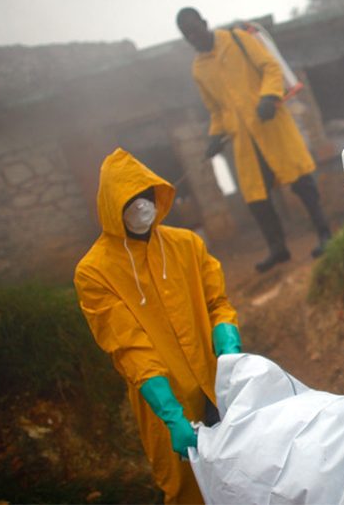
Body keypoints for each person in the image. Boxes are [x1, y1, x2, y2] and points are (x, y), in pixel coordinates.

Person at [74, 148, 242, 504]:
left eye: (145, 196)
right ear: (110, 207)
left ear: (157, 194)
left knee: (244, 473)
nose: (140, 207)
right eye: (129, 200)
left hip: (219, 383)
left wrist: (228, 344)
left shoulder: (186, 245)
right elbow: (129, 347)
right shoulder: (94, 271)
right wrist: (170, 412)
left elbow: (217, 304)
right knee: (187, 488)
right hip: (167, 402)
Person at [176, 7, 331, 273]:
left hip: (271, 125)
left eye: (195, 29)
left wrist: (269, 97)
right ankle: (278, 249)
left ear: (204, 22)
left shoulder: (237, 39)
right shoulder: (199, 69)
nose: (194, 36)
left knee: (301, 181)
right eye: (187, 35)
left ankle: (325, 234)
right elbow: (216, 110)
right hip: (243, 139)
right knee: (256, 196)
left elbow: (270, 67)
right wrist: (214, 136)